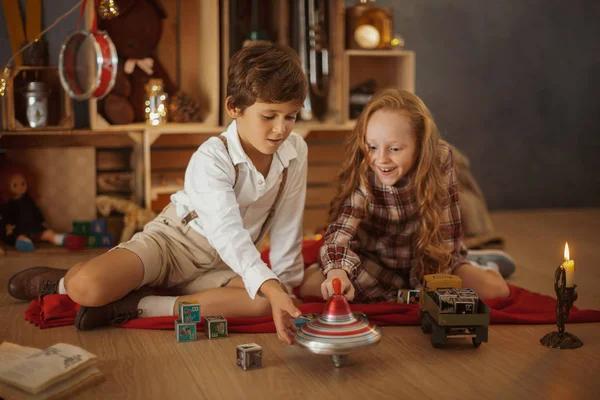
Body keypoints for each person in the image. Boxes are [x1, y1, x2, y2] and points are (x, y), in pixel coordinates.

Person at [8, 42, 309, 344]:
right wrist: (268, 283)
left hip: (223, 266)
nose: (281, 129)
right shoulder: (212, 158)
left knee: (261, 301)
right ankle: (62, 282)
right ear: (234, 108)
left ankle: (139, 305)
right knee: (87, 287)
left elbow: (287, 224)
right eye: (269, 116)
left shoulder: (295, 152)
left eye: (291, 116)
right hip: (172, 244)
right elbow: (227, 232)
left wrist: (285, 287)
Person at [299, 88, 512, 302]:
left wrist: (426, 287)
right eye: (372, 146)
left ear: (420, 145)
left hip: (430, 260)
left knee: (496, 291)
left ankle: (483, 265)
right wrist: (337, 272)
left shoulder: (440, 159)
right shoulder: (367, 165)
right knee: (310, 287)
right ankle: (332, 270)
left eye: (394, 149)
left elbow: (445, 239)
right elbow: (342, 229)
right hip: (375, 264)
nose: (380, 159)